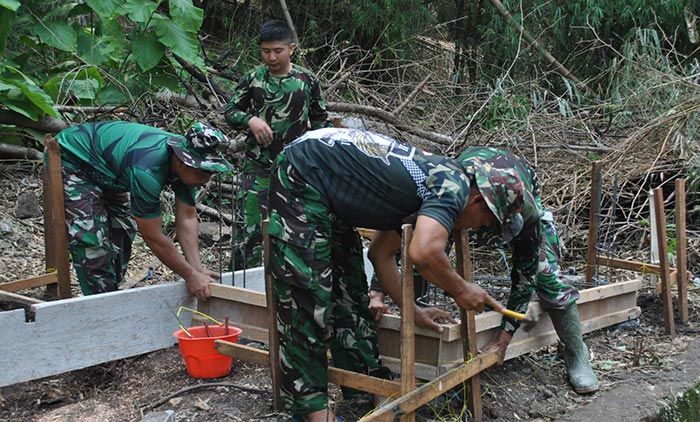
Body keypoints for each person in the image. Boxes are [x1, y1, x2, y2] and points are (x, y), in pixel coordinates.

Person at [267, 128, 524, 421]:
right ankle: (311, 410)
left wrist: (412, 310)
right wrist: (462, 289)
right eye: (486, 222)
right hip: (303, 171)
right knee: (308, 293)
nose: (478, 228)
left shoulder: (429, 188)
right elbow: (425, 253)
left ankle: (363, 388)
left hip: (324, 180)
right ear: (479, 201)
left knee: (349, 289)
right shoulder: (455, 188)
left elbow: (379, 254)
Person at [368, 146, 600, 395]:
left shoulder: (528, 218)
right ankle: (414, 333)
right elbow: (405, 238)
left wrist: (504, 338)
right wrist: (378, 291)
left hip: (517, 189)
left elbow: (525, 279)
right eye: (486, 223)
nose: (484, 227)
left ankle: (577, 354)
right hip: (472, 191)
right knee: (428, 253)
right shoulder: (452, 188)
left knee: (547, 276)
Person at [54, 121, 231, 301]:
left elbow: (187, 218)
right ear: (181, 160)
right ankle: (101, 305)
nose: (205, 180)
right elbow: (152, 236)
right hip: (74, 158)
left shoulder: (186, 162)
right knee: (92, 239)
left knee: (122, 229)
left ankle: (109, 291)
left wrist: (197, 269)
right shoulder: (147, 170)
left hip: (110, 170)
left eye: (210, 174)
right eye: (202, 173)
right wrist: (189, 275)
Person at [224, 19, 331, 270]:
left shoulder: (307, 80)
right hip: (258, 166)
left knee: (294, 228)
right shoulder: (253, 79)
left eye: (277, 51)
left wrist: (316, 157)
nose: (271, 57)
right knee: (249, 230)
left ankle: (288, 280)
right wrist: (251, 120)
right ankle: (243, 284)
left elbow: (320, 120)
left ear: (291, 48)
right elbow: (230, 111)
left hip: (296, 169)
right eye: (265, 51)